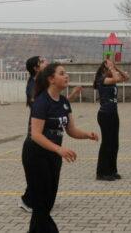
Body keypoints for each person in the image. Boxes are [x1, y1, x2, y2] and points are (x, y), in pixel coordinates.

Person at [23, 62, 98, 232]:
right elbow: (35, 134)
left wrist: (87, 135)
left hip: (53, 155)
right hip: (36, 154)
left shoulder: (64, 102)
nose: (66, 76)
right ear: (51, 79)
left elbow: (71, 129)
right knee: (41, 202)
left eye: (66, 73)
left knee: (48, 201)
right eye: (62, 73)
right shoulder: (42, 101)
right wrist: (59, 149)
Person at [94, 59, 129, 181]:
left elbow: (126, 77)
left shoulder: (111, 79)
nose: (112, 69)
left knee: (114, 144)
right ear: (105, 68)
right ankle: (101, 173)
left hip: (114, 114)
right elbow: (116, 78)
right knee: (107, 143)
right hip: (105, 115)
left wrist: (117, 68)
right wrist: (111, 68)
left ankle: (112, 170)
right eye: (109, 67)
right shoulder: (102, 80)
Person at [20, 56, 46, 213]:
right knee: (36, 169)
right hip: (35, 132)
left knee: (44, 169)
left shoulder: (43, 83)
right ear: (36, 68)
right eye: (42, 62)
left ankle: (39, 198)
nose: (46, 63)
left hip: (45, 130)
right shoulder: (33, 85)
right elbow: (37, 104)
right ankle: (27, 200)